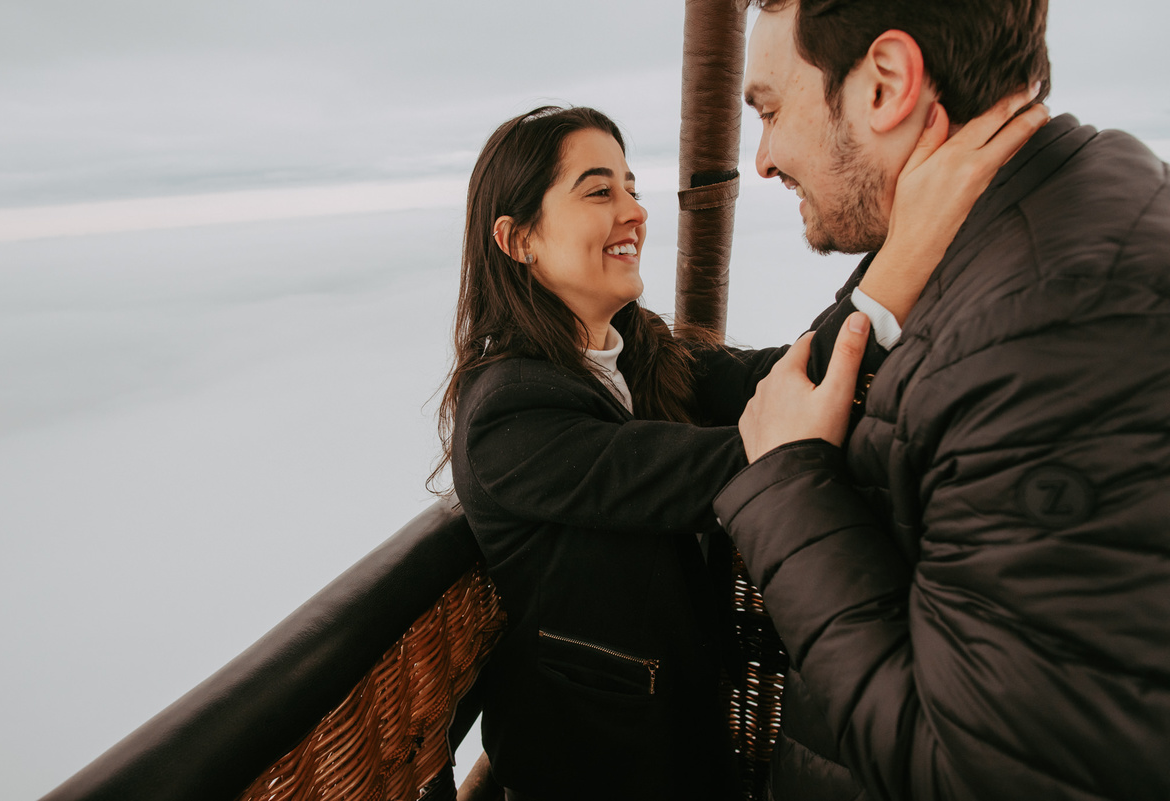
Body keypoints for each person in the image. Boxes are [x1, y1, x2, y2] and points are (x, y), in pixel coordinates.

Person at [436, 100, 1042, 799]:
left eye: (632, 187)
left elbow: (789, 372)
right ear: (517, 239)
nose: (633, 210)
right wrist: (905, 253)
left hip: (690, 741)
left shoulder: (637, 355)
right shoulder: (508, 413)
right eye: (600, 190)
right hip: (597, 771)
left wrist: (920, 248)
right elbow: (733, 463)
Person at [716, 2, 1170, 800]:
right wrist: (897, 263)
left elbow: (984, 774)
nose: (762, 159)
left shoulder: (1049, 329)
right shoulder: (1045, 208)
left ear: (886, 84)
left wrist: (789, 486)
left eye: (771, 110)